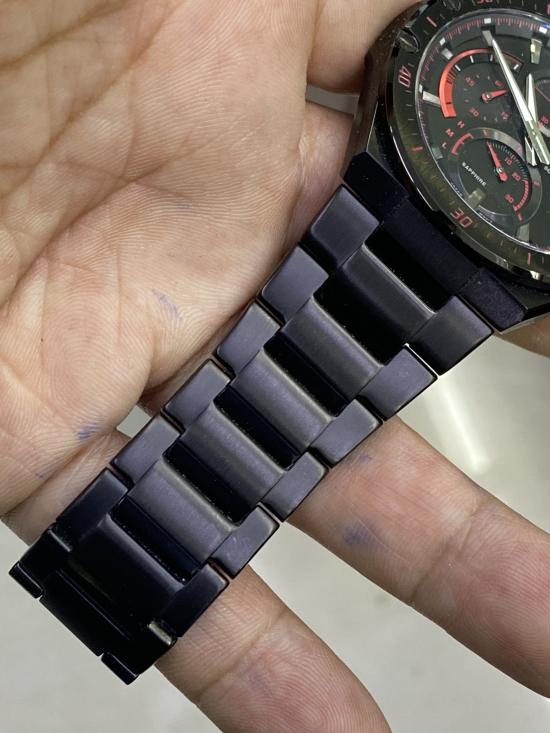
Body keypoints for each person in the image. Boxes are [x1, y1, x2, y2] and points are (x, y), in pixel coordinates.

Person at [1, 0, 549, 730]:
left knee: (311, 403)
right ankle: (98, 574)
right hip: (403, 188)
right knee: (294, 387)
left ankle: (105, 580)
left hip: (482, 270)